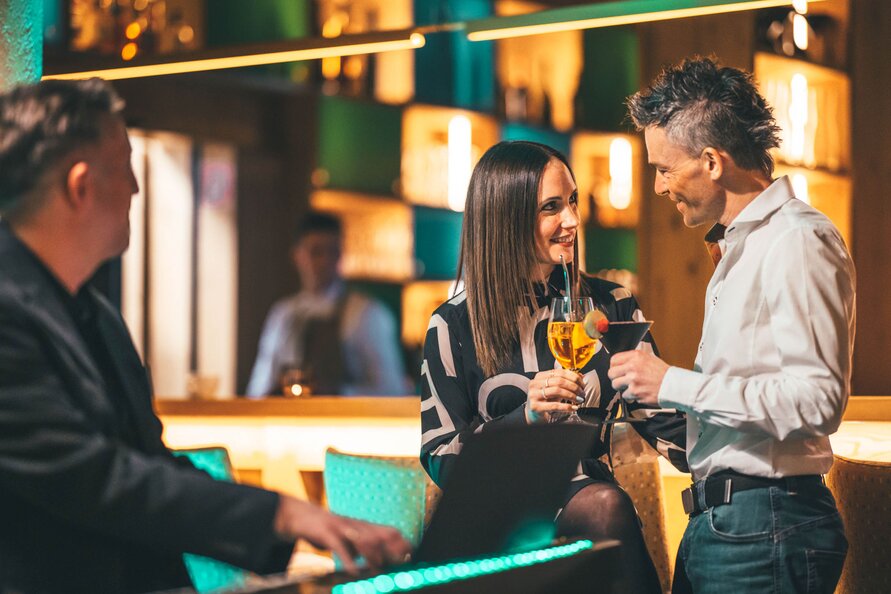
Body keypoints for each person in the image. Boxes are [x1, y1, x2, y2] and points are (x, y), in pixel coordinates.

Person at [0, 78, 410, 594]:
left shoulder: (97, 314)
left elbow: (148, 461)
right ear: (79, 186)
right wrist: (280, 515)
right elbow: (95, 478)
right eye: (125, 165)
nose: (135, 187)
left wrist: (295, 519)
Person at [614, 57, 855, 594]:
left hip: (764, 525)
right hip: (731, 524)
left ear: (711, 162)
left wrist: (670, 383)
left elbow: (818, 400)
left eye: (664, 169)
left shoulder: (796, 240)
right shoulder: (742, 247)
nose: (658, 187)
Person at [420, 140, 688, 594]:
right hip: (496, 519)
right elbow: (440, 455)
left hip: (592, 509)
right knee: (605, 507)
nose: (572, 220)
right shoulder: (452, 324)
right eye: (551, 207)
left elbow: (660, 419)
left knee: (604, 505)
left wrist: (739, 461)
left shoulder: (611, 305)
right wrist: (524, 417)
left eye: (573, 201)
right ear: (506, 218)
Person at [246, 212, 408, 397]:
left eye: (333, 252)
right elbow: (258, 387)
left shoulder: (368, 314)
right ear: (297, 255)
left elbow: (393, 390)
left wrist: (338, 392)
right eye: (316, 252)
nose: (325, 261)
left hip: (344, 415)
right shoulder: (283, 315)